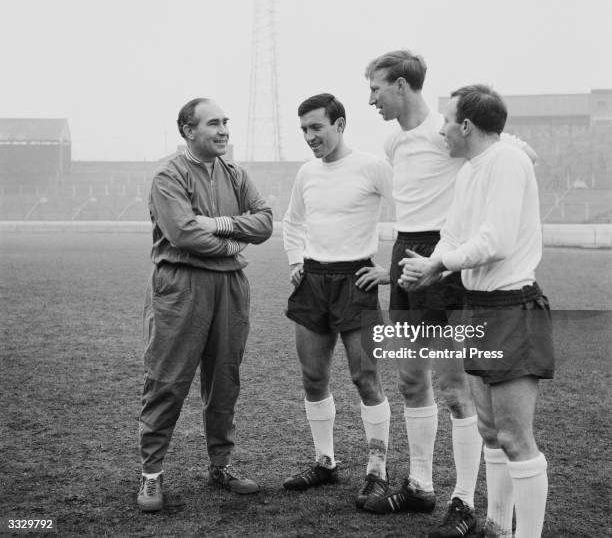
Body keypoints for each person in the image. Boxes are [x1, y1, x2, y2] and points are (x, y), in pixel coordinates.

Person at [361, 50, 535, 537]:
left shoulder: (450, 131)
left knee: (457, 387)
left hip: (445, 258)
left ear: (400, 85)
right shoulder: (393, 143)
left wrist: (441, 260)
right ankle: (419, 485)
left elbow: (509, 148)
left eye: (375, 88)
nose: (370, 98)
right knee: (411, 380)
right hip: (405, 255)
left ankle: (462, 500)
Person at [399, 84, 553, 538]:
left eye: (446, 121)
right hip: (478, 307)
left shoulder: (506, 161)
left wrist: (440, 263)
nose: (441, 130)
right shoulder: (470, 168)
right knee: (490, 431)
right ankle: (497, 527)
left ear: (465, 125)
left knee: (516, 439)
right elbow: (454, 232)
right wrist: (431, 267)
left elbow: (496, 240)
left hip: (512, 308)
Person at [137, 98, 273, 512]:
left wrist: (222, 225)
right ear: (188, 131)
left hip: (230, 285)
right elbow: (182, 233)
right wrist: (232, 242)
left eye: (226, 122)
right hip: (181, 285)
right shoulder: (169, 175)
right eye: (214, 123)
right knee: (168, 379)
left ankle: (221, 464)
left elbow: (265, 220)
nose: (224, 130)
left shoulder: (235, 174)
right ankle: (151, 476)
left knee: (225, 378)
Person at [282, 93, 394, 509]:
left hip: (357, 281)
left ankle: (377, 471)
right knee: (313, 377)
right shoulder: (307, 173)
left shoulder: (372, 167)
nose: (310, 137)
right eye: (304, 130)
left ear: (340, 124)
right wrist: (296, 261)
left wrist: (391, 270)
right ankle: (325, 461)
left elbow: (415, 212)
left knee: (366, 378)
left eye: (317, 127)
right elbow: (292, 223)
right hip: (313, 282)